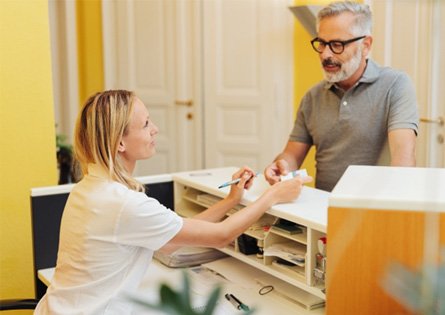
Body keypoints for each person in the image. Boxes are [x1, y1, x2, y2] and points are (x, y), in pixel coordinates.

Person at [34, 90, 312, 314]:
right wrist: (272, 196)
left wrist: (231, 200)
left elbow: (172, 238)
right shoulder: (123, 204)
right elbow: (220, 236)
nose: (155, 129)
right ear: (120, 143)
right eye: (145, 124)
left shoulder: (91, 189)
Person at [264, 1, 418, 192]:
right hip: (321, 209)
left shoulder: (395, 85)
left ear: (366, 45)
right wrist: (280, 167)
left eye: (337, 44)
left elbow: (403, 159)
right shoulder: (312, 97)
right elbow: (292, 156)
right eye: (321, 43)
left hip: (374, 210)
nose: (325, 54)